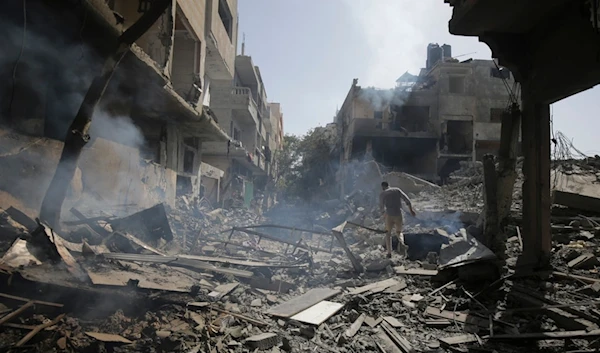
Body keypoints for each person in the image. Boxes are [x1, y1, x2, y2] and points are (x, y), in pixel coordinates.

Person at [379, 181, 416, 258]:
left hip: (389, 215)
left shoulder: (383, 194)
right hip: (398, 215)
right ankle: (402, 244)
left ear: (383, 187)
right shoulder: (397, 190)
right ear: (389, 185)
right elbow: (407, 200)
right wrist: (411, 210)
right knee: (399, 232)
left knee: (388, 234)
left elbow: (381, 207)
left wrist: (383, 215)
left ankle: (389, 253)